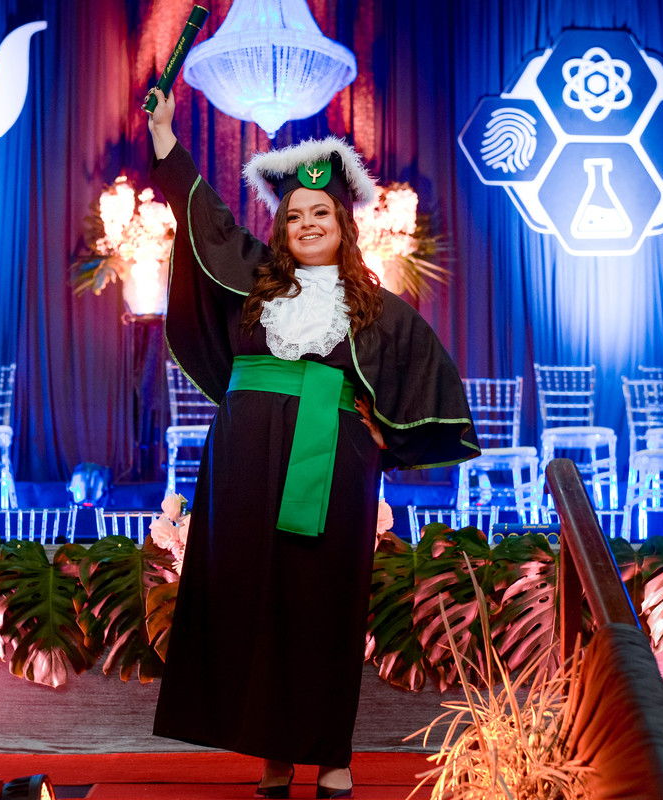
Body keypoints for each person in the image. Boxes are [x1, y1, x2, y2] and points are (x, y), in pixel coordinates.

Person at [146, 87, 479, 799]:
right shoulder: (250, 280)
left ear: (342, 223)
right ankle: (272, 752)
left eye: (320, 213)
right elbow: (202, 213)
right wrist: (166, 136)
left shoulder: (375, 308)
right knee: (250, 600)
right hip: (243, 461)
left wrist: (384, 436)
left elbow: (427, 377)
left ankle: (329, 754)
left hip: (332, 465)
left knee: (322, 603)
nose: (306, 224)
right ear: (281, 227)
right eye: (294, 215)